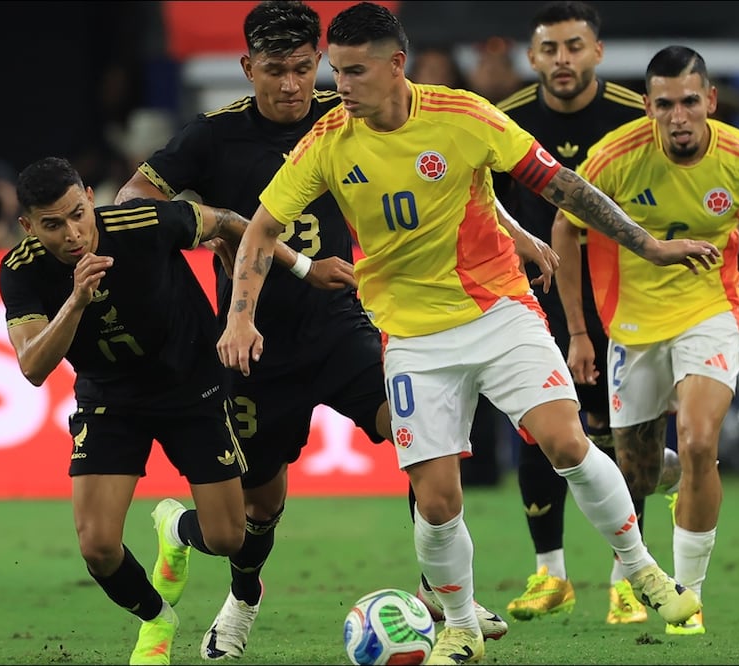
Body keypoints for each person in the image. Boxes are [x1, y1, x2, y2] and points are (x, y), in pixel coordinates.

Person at [218, 4, 717, 663]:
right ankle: (456, 623)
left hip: (498, 312)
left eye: (354, 71)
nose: (338, 86)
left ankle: (640, 567)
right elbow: (260, 228)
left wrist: (646, 244)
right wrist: (240, 314)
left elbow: (559, 183)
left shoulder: (463, 114)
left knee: (564, 440)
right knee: (435, 498)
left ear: (396, 66)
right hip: (413, 339)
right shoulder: (328, 141)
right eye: (335, 71)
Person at [113, 2, 529, 658]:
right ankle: (243, 595)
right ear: (247, 68)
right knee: (258, 510)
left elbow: (458, 173)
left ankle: (440, 590)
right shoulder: (212, 137)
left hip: (341, 326)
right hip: (253, 346)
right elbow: (129, 204)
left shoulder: (352, 114)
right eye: (273, 70)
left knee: (413, 429)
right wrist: (216, 222)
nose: (289, 85)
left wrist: (518, 236)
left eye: (303, 69)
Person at [0, 156, 350, 665]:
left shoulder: (143, 223)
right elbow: (33, 366)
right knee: (97, 546)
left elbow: (226, 219)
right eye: (53, 225)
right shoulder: (21, 271)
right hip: (110, 399)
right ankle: (157, 617)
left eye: (79, 213)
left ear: (90, 198)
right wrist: (75, 301)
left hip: (193, 387)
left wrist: (300, 265)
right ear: (28, 227)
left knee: (228, 537)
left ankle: (175, 529)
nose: (74, 233)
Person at [552, 45, 739, 636]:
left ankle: (688, 598)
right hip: (632, 327)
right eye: (665, 104)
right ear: (647, 106)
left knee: (700, 441)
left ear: (710, 102)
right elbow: (564, 226)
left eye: (690, 101)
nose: (678, 116)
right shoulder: (615, 156)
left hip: (708, 314)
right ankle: (677, 480)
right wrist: (576, 332)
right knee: (637, 476)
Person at [491, 0, 681, 625]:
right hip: (535, 304)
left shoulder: (638, 116)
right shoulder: (505, 122)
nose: (562, 60)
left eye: (574, 47)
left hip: (625, 298)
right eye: (550, 49)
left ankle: (629, 577)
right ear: (532, 57)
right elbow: (480, 206)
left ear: (597, 52)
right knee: (538, 428)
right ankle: (551, 574)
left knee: (631, 434)